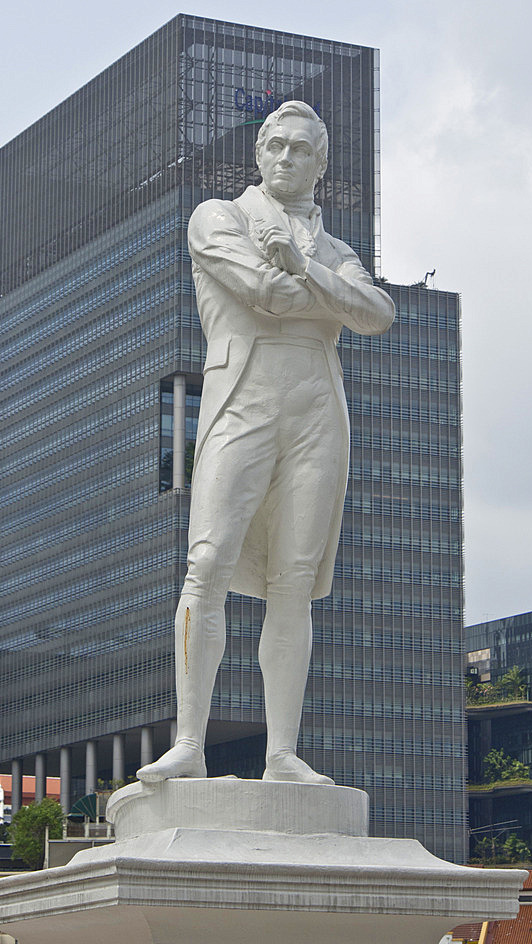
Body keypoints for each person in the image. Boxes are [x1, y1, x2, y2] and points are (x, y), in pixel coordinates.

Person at [138, 101, 395, 785]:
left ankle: (282, 752)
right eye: (275, 146)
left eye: (301, 150)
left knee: (295, 581)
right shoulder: (218, 218)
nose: (286, 158)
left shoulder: (335, 251)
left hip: (317, 409)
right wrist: (325, 293)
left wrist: (308, 273)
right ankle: (189, 740)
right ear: (258, 153)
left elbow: (379, 315)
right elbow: (265, 296)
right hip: (241, 396)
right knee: (209, 562)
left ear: (322, 162)